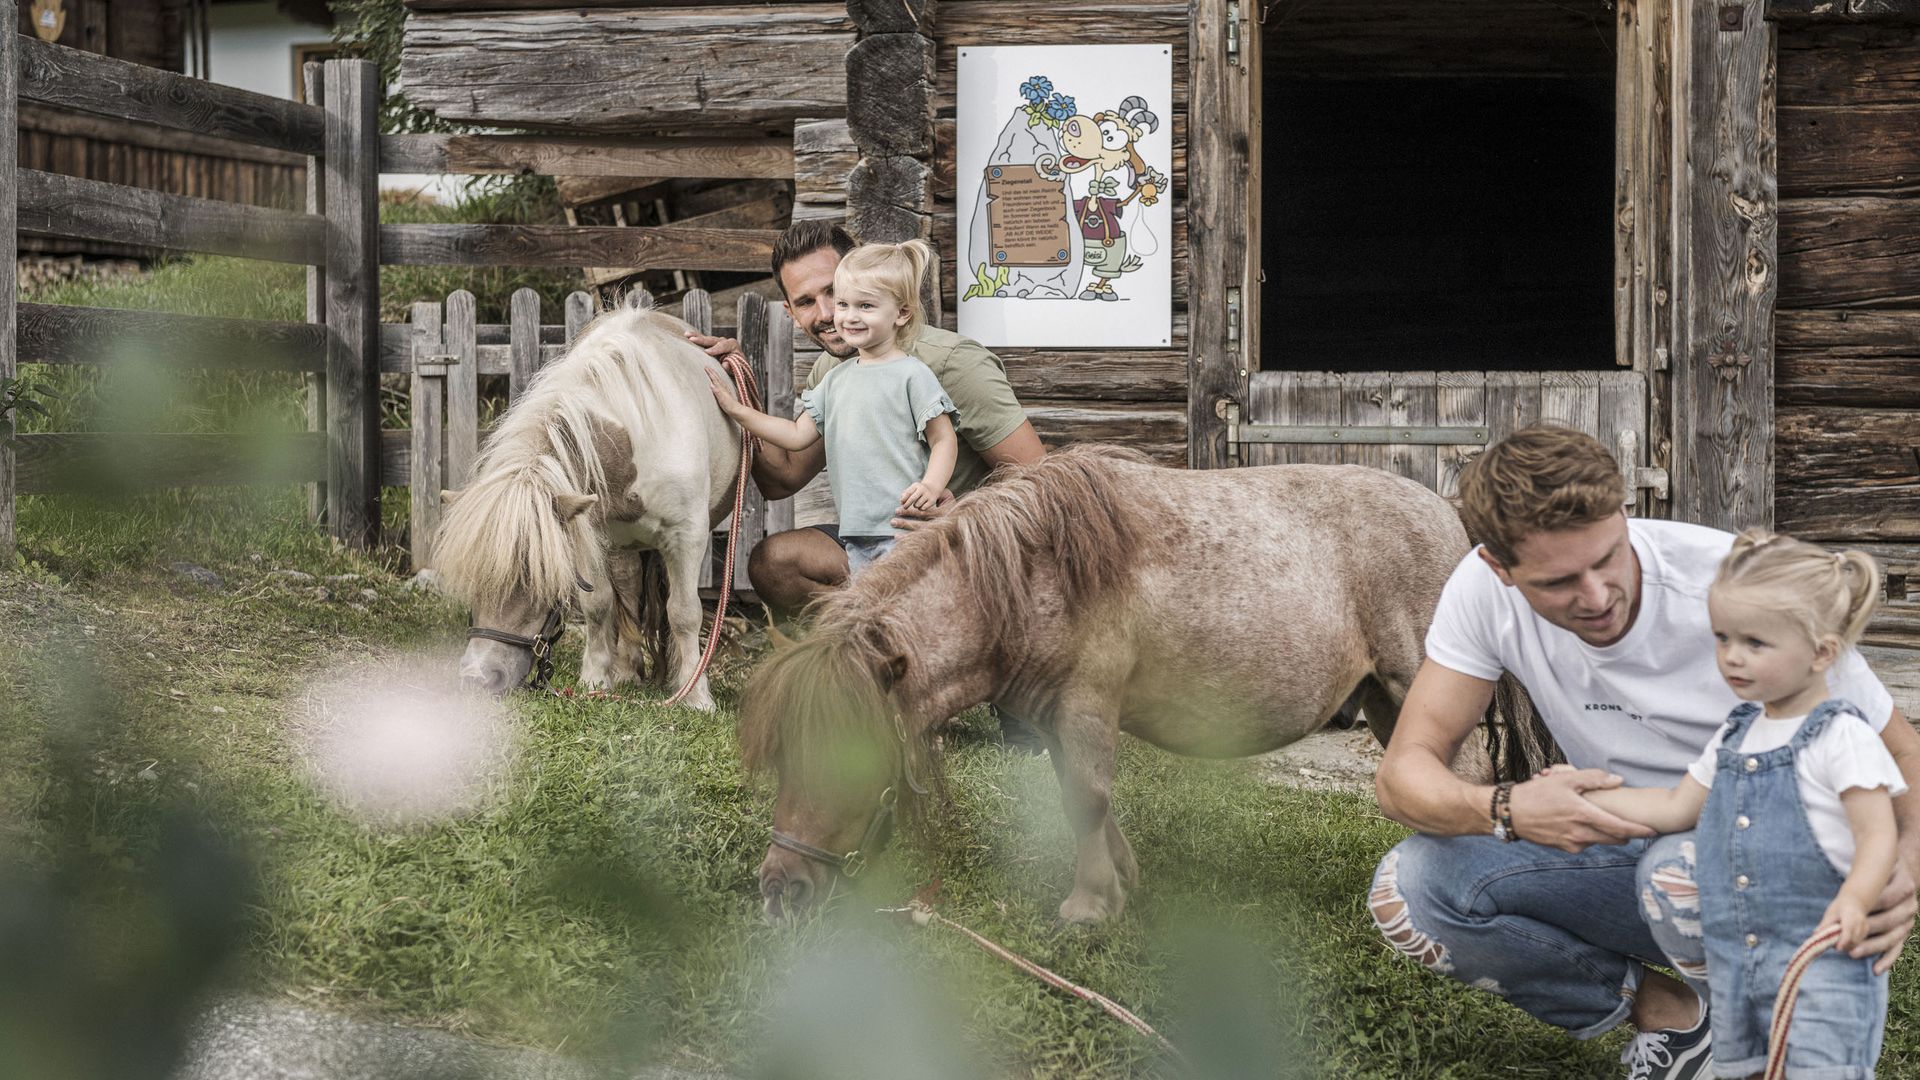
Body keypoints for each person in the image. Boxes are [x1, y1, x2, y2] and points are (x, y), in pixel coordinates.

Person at [1367, 426, 1917, 1080]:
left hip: (1776, 872)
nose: (1597, 596)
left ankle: (1784, 1031)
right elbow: (1403, 775)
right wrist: (1510, 807)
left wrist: (1901, 875)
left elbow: (1904, 760)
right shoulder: (1480, 593)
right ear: (1499, 568)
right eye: (1559, 581)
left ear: (1625, 514)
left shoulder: (1741, 593)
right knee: (1411, 892)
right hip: (1640, 840)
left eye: (1607, 558)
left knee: (1677, 871)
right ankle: (1684, 1025)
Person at [1562, 531, 1902, 1078]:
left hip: (1823, 959)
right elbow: (1675, 806)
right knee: (1743, 1066)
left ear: (1822, 652)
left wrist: (1858, 901)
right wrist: (1586, 793)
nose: (1731, 658)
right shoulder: (1738, 732)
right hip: (1739, 963)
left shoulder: (1842, 736)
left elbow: (1878, 834)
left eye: (1754, 643)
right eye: (1721, 638)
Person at [684, 221, 1044, 613]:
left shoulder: (951, 364)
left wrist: (960, 518)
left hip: (962, 546)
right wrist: (735, 380)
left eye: (833, 292)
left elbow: (1039, 482)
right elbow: (782, 477)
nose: (826, 314)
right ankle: (874, 645)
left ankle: (906, 639)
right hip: (873, 540)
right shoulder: (833, 373)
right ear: (789, 312)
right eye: (805, 302)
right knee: (775, 564)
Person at [706, 239, 958, 577]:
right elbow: (796, 436)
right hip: (856, 537)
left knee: (910, 614)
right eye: (844, 305)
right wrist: (739, 411)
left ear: (901, 313)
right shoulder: (836, 380)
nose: (848, 317)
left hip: (906, 531)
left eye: (866, 306)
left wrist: (931, 486)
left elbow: (943, 439)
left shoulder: (912, 374)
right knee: (870, 616)